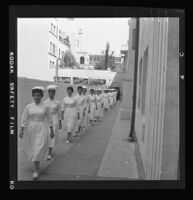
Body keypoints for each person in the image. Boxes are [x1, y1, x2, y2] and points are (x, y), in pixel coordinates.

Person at [19, 86, 54, 180]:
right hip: (31, 129)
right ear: (32, 96)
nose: (36, 97)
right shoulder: (29, 106)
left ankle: (35, 170)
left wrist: (52, 130)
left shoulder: (46, 107)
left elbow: (50, 119)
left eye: (38, 95)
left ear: (42, 96)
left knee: (39, 147)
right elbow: (24, 118)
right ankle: (36, 165)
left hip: (42, 128)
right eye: (35, 95)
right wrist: (21, 130)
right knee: (33, 147)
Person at [44, 85, 62, 160]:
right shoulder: (45, 102)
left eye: (53, 92)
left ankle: (49, 153)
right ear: (48, 93)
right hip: (46, 120)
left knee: (52, 136)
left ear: (54, 93)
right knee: (46, 135)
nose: (51, 94)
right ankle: (45, 151)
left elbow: (59, 113)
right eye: (50, 92)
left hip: (54, 119)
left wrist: (60, 122)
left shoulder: (57, 102)